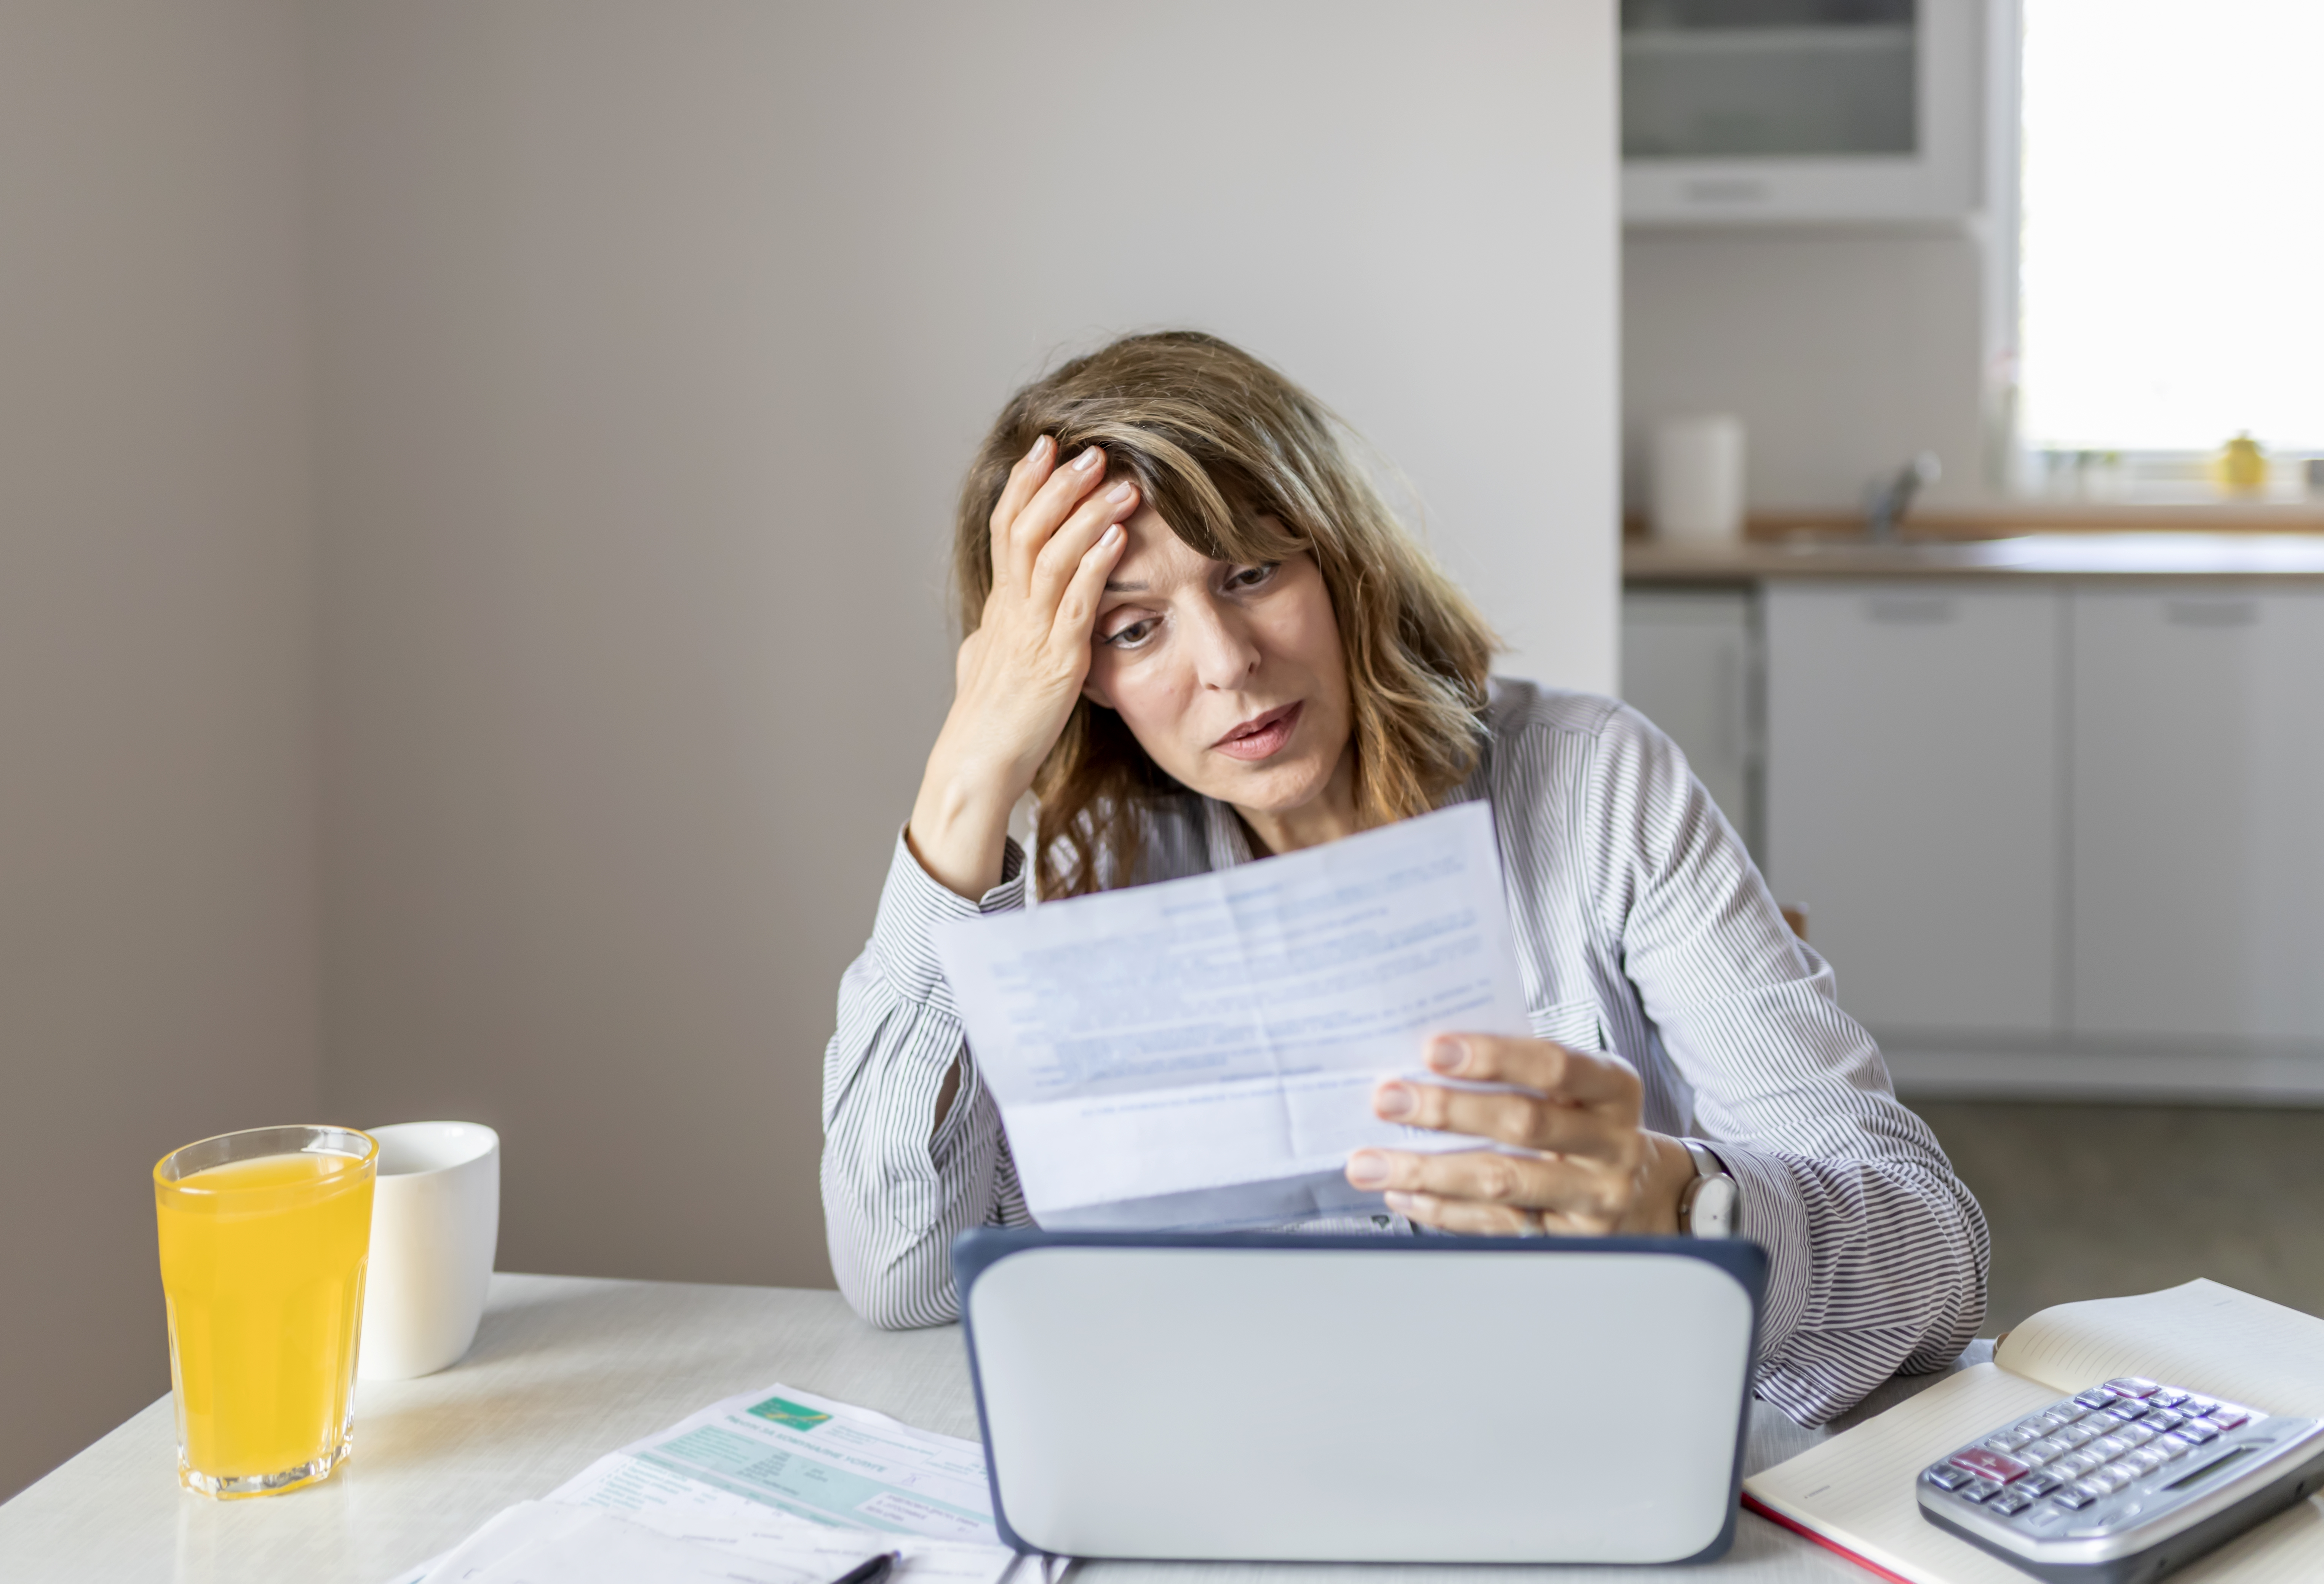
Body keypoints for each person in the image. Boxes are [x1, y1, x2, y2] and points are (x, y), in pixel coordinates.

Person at [822, 331, 1987, 1426]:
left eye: (1252, 573)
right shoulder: (1076, 874)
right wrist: (965, 783)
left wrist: (1680, 1202)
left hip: (1582, 1443)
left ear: (1342, 561)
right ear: (1071, 678)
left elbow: (1939, 1270)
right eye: (1133, 631)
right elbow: (900, 1274)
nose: (1229, 666)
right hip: (1233, 1467)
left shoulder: (1594, 789)